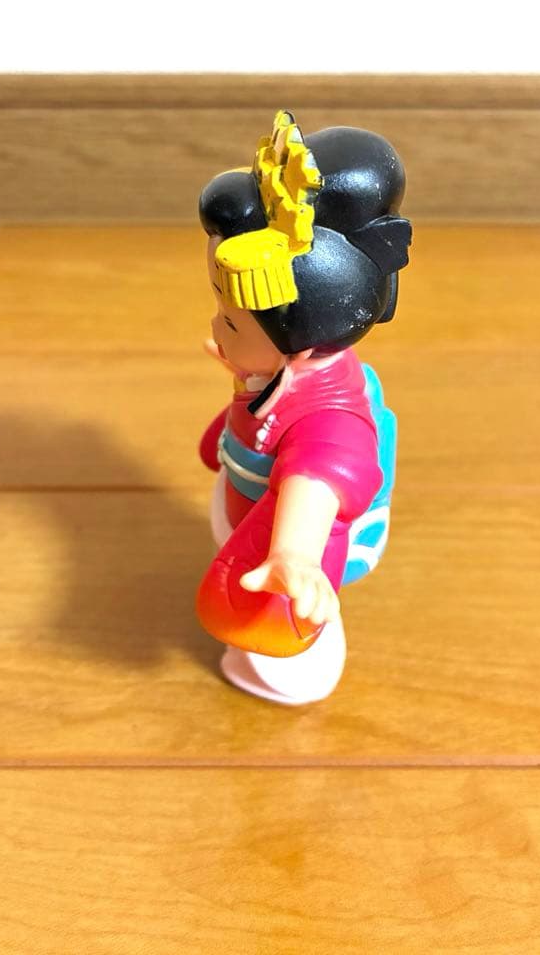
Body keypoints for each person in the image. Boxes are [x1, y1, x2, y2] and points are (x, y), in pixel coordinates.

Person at [196, 111, 412, 704]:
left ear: (301, 344)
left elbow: (316, 480)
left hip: (283, 544)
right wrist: (242, 371)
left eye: (231, 322)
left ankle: (290, 669)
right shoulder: (284, 371)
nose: (216, 326)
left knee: (274, 625)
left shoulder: (328, 419)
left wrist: (292, 555)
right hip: (248, 503)